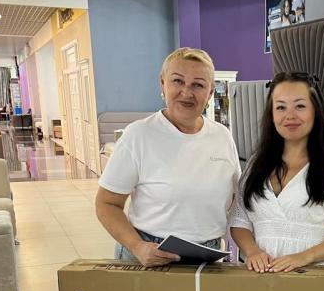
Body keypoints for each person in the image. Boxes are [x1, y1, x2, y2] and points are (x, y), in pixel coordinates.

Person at [96, 47, 240, 267]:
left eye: (198, 85)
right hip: (149, 252)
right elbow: (106, 204)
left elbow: (236, 197)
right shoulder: (139, 135)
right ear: (162, 84)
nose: (187, 92)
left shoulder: (222, 136)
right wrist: (137, 246)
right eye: (178, 81)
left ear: (210, 92)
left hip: (207, 253)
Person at [230, 72, 324, 273]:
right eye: (281, 107)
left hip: (311, 280)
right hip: (259, 280)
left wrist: (303, 257)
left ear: (315, 111)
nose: (290, 115)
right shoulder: (256, 164)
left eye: (300, 106)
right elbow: (239, 221)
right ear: (271, 114)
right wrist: (253, 252)